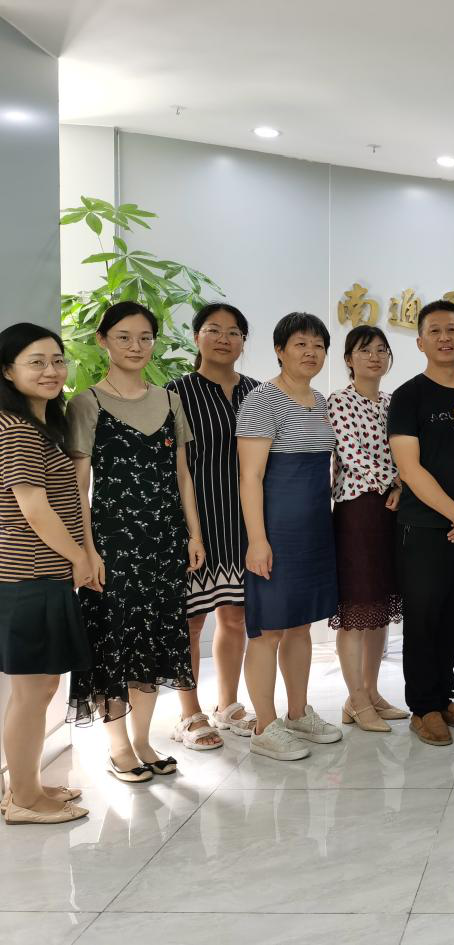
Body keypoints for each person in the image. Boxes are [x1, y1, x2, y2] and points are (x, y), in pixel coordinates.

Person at [67, 301, 204, 783]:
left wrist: (194, 534)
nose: (136, 346)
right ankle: (119, 746)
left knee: (156, 640)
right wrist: (88, 551)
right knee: (115, 642)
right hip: (112, 544)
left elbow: (182, 475)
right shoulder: (87, 403)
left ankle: (144, 740)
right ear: (102, 340)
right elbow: (79, 487)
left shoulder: (169, 400)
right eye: (124, 337)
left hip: (164, 541)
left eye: (145, 337)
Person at [388, 300, 454, 746]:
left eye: (452, 330)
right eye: (434, 330)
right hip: (423, 526)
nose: (444, 338)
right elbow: (410, 469)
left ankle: (443, 698)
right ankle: (423, 708)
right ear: (420, 342)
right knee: (424, 619)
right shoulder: (408, 396)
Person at [237, 312, 343, 761]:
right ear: (279, 350)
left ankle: (298, 713)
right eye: (300, 344)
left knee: (300, 626)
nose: (310, 352)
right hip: (276, 530)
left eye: (318, 345)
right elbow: (250, 476)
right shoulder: (262, 400)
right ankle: (265, 726)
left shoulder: (322, 401)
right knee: (268, 630)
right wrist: (257, 540)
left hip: (315, 529)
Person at [0, 324, 93, 825]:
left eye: (57, 360)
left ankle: (26, 786)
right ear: (7, 371)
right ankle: (24, 800)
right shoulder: (17, 430)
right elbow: (34, 509)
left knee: (37, 690)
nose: (51, 370)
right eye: (36, 362)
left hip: (38, 576)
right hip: (29, 577)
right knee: (33, 692)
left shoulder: (36, 426)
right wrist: (80, 556)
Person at [166, 303, 260, 750]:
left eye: (234, 332)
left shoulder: (259, 393)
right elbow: (171, 466)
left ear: (244, 341)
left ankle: (228, 704)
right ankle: (189, 712)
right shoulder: (175, 393)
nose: (224, 339)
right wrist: (187, 530)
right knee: (191, 619)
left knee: (236, 616)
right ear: (196, 337)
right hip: (196, 522)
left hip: (245, 522)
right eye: (214, 329)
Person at [328, 326, 404, 734]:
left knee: (379, 607)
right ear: (348, 359)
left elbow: (408, 453)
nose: (375, 357)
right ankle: (355, 698)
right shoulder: (338, 402)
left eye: (381, 350)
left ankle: (371, 692)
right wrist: (395, 481)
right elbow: (353, 457)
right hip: (358, 510)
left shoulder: (394, 403)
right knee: (356, 609)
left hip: (393, 509)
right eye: (365, 350)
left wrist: (402, 486)